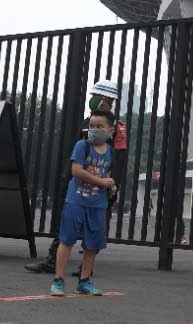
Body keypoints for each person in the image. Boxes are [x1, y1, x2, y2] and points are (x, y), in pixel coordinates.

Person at [25, 78, 128, 274]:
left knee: (94, 225)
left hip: (100, 184)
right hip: (77, 181)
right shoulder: (87, 121)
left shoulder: (117, 128)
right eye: (95, 97)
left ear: (107, 101)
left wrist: (114, 185)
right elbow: (78, 153)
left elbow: (120, 159)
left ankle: (85, 268)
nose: (96, 100)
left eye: (100, 98)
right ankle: (53, 260)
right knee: (68, 221)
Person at [51, 110, 116, 296]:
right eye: (92, 126)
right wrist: (102, 182)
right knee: (67, 239)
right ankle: (58, 280)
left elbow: (108, 176)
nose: (95, 130)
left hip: (97, 203)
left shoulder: (111, 153)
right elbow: (76, 170)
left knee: (92, 244)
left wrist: (111, 185)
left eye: (99, 126)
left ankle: (84, 281)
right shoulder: (82, 146)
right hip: (76, 200)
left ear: (110, 129)